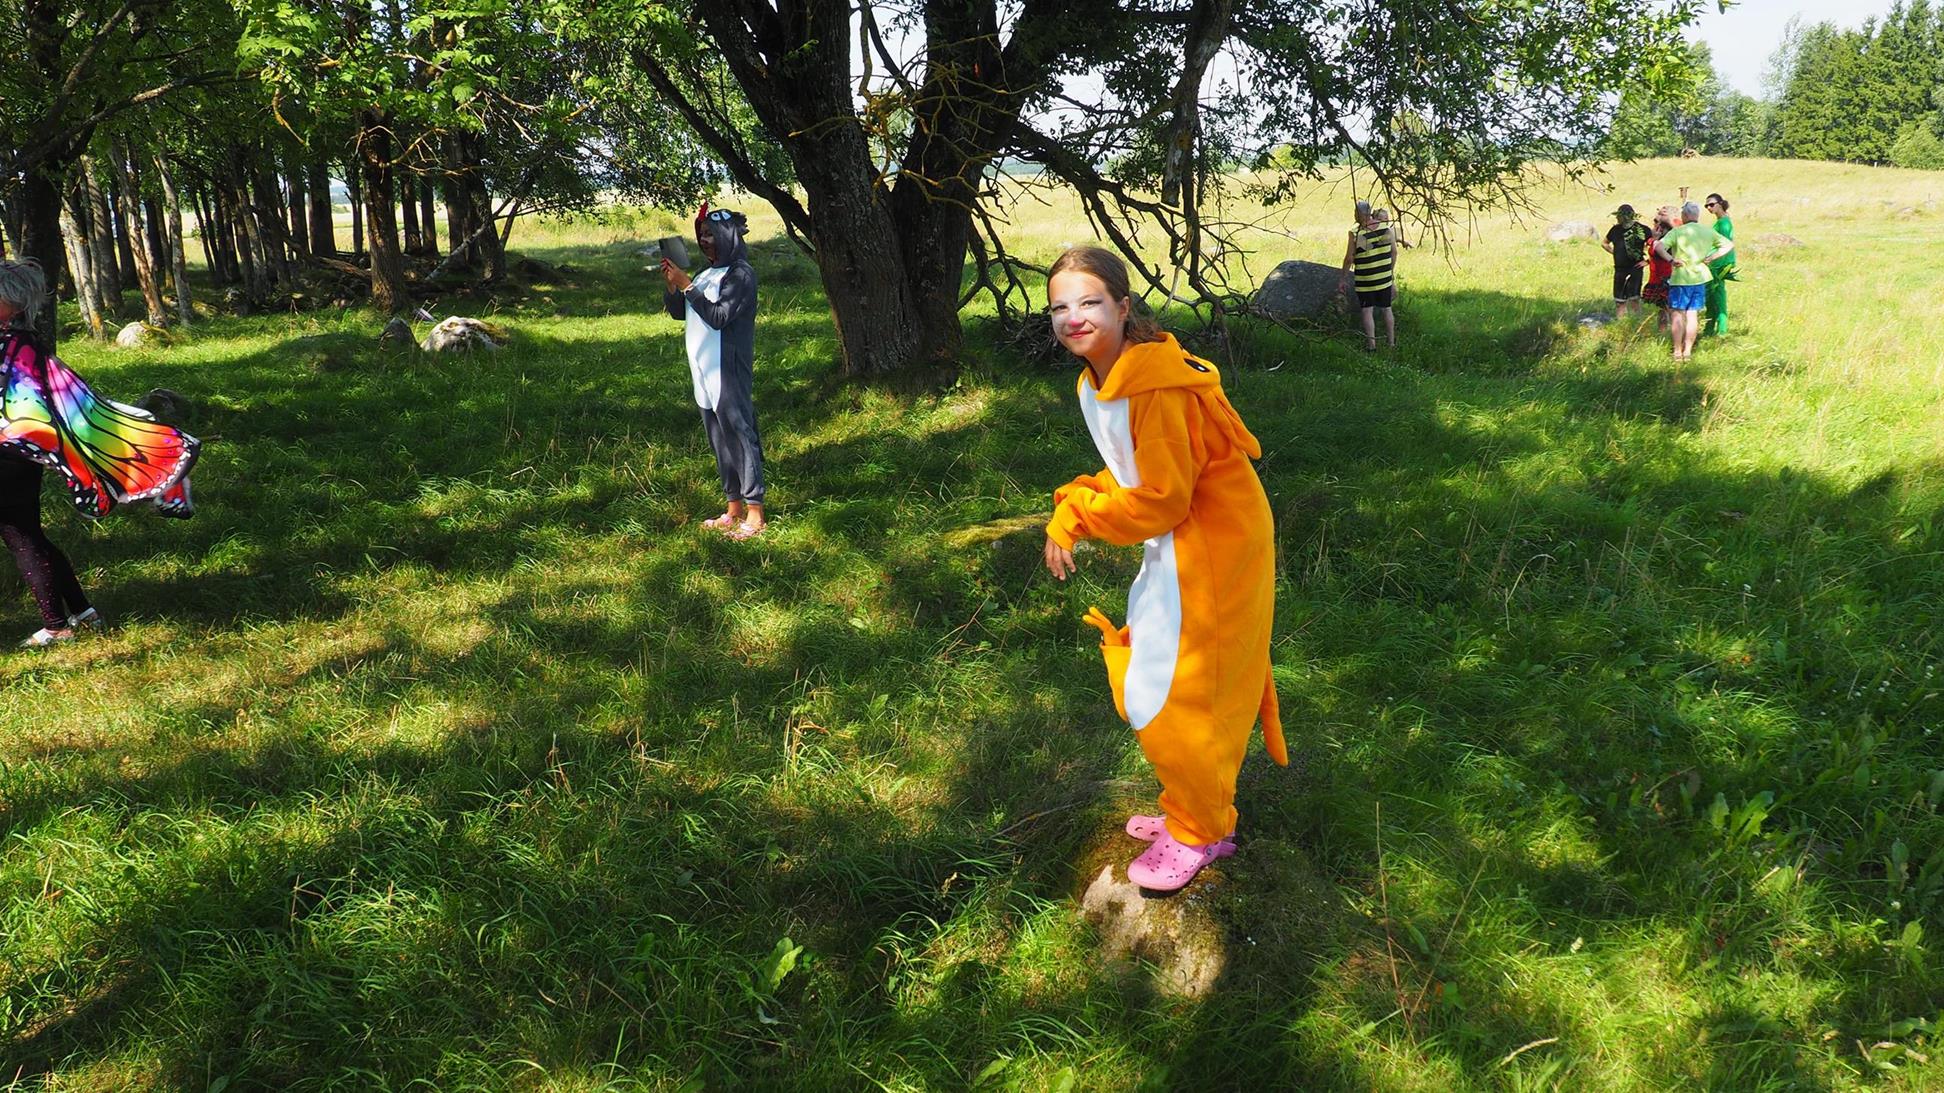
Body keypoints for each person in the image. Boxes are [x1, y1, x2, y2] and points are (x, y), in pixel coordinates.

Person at [1040, 244, 1286, 893]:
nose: (1073, 317)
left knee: (1183, 688)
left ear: (1123, 307)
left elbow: (1161, 499)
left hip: (1214, 548)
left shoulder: (1154, 388)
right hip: (1180, 540)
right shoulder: (1101, 380)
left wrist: (1080, 514)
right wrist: (1075, 507)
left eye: (1090, 302)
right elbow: (1136, 473)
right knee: (1155, 671)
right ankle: (1192, 809)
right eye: (1060, 307)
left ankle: (1200, 829)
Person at [0, 259, 199, 647]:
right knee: (28, 536)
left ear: (14, 304)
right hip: (17, 453)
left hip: (11, 456)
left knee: (21, 537)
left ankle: (57, 627)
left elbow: (33, 407)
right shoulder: (20, 343)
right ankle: (83, 612)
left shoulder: (17, 347)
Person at [662, 204, 767, 539]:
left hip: (727, 368)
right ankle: (733, 508)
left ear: (728, 236)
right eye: (702, 234)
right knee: (719, 439)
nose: (704, 240)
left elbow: (719, 317)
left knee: (739, 433)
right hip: (702, 370)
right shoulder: (705, 273)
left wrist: (687, 286)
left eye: (711, 234)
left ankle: (755, 513)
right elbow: (680, 312)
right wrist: (673, 285)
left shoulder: (740, 275)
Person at [1653, 201, 1734, 362]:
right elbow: (1728, 245)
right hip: (1700, 278)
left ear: (1684, 216)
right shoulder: (1707, 231)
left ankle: (1677, 351)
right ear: (1697, 216)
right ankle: (1688, 351)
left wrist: (1671, 260)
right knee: (1692, 315)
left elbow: (1659, 247)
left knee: (1677, 314)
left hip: (1680, 278)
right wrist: (1711, 257)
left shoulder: (1678, 232)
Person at [1339, 200, 1398, 351]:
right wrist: (1389, 272)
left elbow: (1349, 258)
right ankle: (1391, 343)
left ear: (1359, 214)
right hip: (1384, 279)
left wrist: (1343, 278)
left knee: (1367, 310)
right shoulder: (1386, 228)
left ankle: (1372, 346)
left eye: (1355, 212)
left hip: (1365, 279)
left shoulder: (1356, 233)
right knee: (1387, 309)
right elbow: (1394, 252)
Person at [1602, 204, 1652, 319]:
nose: (1617, 218)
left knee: (1634, 298)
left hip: (1636, 268)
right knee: (1619, 300)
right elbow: (1604, 243)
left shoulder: (1642, 229)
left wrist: (1648, 261)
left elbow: (1655, 245)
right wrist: (1615, 252)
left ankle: (1636, 321)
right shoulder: (1615, 230)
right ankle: (1621, 322)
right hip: (1620, 269)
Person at [1702, 192, 1736, 336]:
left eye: (1711, 204)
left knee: (1717, 296)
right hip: (1715, 263)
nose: (1709, 208)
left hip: (1720, 264)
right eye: (1706, 206)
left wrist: (1712, 258)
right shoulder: (1721, 220)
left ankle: (1722, 330)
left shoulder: (1724, 222)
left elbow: (1727, 244)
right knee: (1711, 296)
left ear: (1720, 204)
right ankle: (1709, 328)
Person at [1640, 208, 1676, 330]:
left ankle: (1676, 332)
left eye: (1657, 224)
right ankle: (1662, 333)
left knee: (1669, 308)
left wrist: (1654, 240)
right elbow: (1653, 253)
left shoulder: (1669, 239)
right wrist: (1647, 261)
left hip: (1666, 277)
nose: (1655, 227)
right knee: (1661, 309)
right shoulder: (1655, 238)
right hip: (1655, 277)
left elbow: (1663, 254)